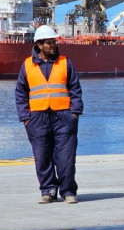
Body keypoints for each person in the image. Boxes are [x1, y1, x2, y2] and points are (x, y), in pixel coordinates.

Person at [15, 25, 83, 204]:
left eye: (54, 42)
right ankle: (48, 191)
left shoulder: (65, 62)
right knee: (42, 158)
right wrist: (26, 118)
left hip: (64, 117)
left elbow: (75, 89)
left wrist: (74, 114)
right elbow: (20, 93)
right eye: (49, 42)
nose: (53, 45)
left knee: (66, 158)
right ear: (39, 45)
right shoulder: (27, 65)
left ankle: (68, 192)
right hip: (37, 119)